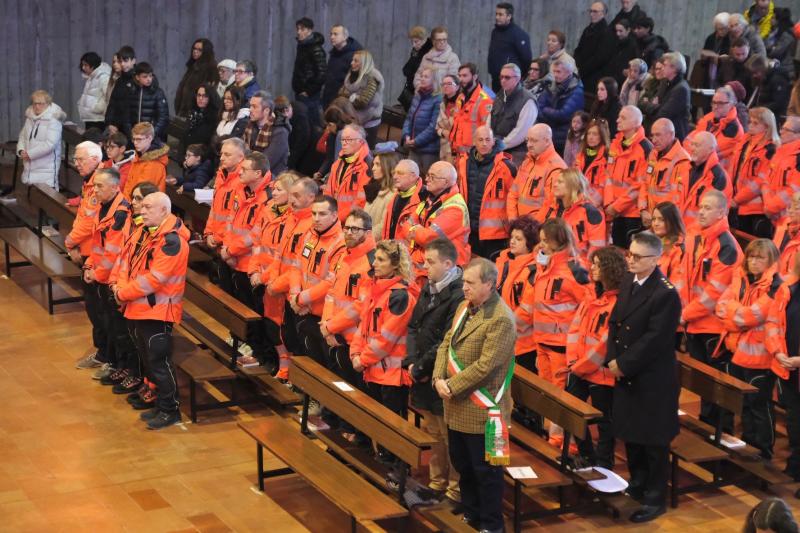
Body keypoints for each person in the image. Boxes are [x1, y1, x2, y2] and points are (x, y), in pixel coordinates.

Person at [432, 257, 516, 532]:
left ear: (489, 285)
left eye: (470, 282)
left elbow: (486, 366)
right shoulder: (463, 307)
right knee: (463, 466)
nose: (463, 286)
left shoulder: (501, 319)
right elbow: (446, 343)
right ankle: (471, 514)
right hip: (456, 407)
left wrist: (451, 385)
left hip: (484, 411)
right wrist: (437, 377)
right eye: (464, 281)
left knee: (487, 474)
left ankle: (492, 525)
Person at [606, 231, 682, 523]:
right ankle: (637, 485)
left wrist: (623, 363)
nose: (631, 260)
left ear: (655, 259)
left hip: (652, 378)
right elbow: (616, 322)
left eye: (637, 257)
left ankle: (654, 497)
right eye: (630, 254)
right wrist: (612, 358)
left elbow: (655, 339)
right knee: (632, 435)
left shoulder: (665, 293)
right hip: (626, 372)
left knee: (653, 440)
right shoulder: (629, 281)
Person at [113, 192, 190, 430]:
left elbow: (155, 280)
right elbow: (127, 261)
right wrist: (119, 285)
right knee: (147, 358)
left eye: (147, 207)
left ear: (164, 211)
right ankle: (159, 404)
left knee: (159, 361)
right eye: (142, 206)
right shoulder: (147, 232)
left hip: (159, 310)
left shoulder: (171, 242)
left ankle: (171, 410)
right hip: (138, 306)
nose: (141, 211)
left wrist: (122, 293)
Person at [517, 218, 590, 449]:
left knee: (560, 397)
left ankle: (566, 446)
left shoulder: (574, 270)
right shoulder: (544, 267)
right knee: (548, 395)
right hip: (542, 342)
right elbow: (533, 303)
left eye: (544, 242)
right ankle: (552, 441)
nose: (540, 246)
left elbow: (587, 307)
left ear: (557, 242)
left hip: (562, 346)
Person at [404, 238, 464, 503]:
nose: (424, 266)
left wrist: (423, 366)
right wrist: (411, 360)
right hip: (423, 370)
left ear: (448, 263)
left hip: (443, 375)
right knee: (435, 433)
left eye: (430, 262)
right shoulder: (429, 288)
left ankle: (454, 489)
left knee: (450, 436)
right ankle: (437, 483)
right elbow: (414, 327)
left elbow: (447, 339)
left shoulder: (459, 295)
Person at [717, 238, 784, 459]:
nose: (754, 262)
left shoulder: (775, 287)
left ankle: (763, 452)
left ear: (771, 260)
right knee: (743, 405)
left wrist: (736, 313)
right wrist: (738, 315)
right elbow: (721, 307)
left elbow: (751, 316)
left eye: (760, 258)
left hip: (761, 358)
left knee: (759, 407)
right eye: (751, 257)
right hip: (737, 354)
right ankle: (747, 447)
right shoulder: (742, 279)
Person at [682, 191, 743, 432]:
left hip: (713, 328)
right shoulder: (698, 238)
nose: (701, 211)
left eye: (708, 208)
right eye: (701, 207)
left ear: (722, 212)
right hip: (696, 322)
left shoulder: (726, 246)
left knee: (718, 389)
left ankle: (720, 435)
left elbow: (712, 295)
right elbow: (686, 279)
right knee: (703, 386)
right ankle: (706, 430)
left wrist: (683, 314)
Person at [351, 240, 417, 456]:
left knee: (393, 431)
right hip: (373, 369)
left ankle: (396, 469)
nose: (375, 264)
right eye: (375, 259)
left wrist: (362, 359)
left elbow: (386, 338)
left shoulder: (401, 296)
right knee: (377, 425)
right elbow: (363, 326)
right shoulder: (375, 287)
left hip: (391, 375)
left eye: (381, 260)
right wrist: (354, 352)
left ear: (395, 265)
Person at [566, 245, 626, 469]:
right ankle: (586, 456)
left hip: (600, 373)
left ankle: (603, 464)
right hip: (579, 368)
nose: (592, 268)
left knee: (604, 422)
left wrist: (582, 366)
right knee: (573, 413)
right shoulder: (591, 295)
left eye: (597, 264)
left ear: (610, 268)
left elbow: (606, 343)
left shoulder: (619, 302)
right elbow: (575, 329)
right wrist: (573, 361)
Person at [105, 181, 160, 408]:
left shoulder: (156, 233)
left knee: (144, 346)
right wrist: (115, 283)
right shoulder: (135, 224)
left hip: (144, 300)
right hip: (125, 290)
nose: (134, 204)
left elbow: (150, 273)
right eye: (134, 199)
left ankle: (143, 379)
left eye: (139, 200)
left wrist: (124, 292)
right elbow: (123, 258)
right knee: (124, 335)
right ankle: (131, 370)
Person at [82, 168, 134, 391]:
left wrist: (98, 274)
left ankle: (118, 364)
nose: (95, 189)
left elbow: (113, 252)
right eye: (94, 185)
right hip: (100, 272)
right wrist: (89, 265)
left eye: (100, 186)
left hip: (111, 277)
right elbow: (98, 244)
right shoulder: (103, 207)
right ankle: (110, 360)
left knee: (116, 326)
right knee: (104, 322)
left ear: (115, 187)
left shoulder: (121, 214)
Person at [262, 177, 319, 377]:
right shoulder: (291, 218)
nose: (292, 200)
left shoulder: (311, 224)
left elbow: (298, 264)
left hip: (293, 290)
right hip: (277, 284)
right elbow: (280, 253)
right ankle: (284, 367)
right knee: (276, 329)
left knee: (293, 337)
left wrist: (277, 284)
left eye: (297, 195)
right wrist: (270, 277)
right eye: (291, 195)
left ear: (311, 197)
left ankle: (295, 376)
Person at [221, 152, 273, 365]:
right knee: (237, 305)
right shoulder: (242, 191)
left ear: (258, 173)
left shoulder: (266, 197)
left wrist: (232, 250)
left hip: (249, 262)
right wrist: (226, 248)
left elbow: (255, 234)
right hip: (232, 258)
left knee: (254, 311)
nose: (239, 172)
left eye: (244, 169)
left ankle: (258, 351)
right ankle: (242, 339)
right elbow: (230, 221)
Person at [248, 170, 302, 374]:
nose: (273, 190)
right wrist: (253, 269)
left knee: (279, 329)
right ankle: (273, 359)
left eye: (279, 189)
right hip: (260, 275)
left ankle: (285, 366)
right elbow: (257, 242)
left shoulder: (292, 219)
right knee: (268, 324)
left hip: (275, 281)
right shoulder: (268, 209)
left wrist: (263, 277)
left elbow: (282, 257)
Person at [319, 208, 375, 388]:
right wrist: (327, 324)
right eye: (346, 228)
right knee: (334, 385)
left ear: (368, 233)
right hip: (334, 333)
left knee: (352, 393)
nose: (349, 232)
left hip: (354, 342)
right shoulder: (345, 255)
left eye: (355, 229)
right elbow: (331, 292)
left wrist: (331, 327)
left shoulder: (372, 262)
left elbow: (361, 306)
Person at [292, 195, 347, 372]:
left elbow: (331, 282)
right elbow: (296, 265)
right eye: (314, 213)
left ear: (334, 215)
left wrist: (301, 299)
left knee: (324, 365)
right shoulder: (310, 233)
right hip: (302, 307)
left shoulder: (341, 242)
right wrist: (294, 295)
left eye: (322, 214)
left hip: (322, 314)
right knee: (305, 355)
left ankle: (320, 399)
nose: (316, 218)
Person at [457, 126, 515, 259]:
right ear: (474, 142)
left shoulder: (505, 166)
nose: (484, 144)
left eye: (488, 140)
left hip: (496, 234)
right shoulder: (463, 162)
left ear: (493, 141)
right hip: (469, 229)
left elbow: (514, 197)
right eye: (480, 140)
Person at [766, 253, 800, 485]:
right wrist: (778, 352)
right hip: (789, 367)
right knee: (795, 421)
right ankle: (796, 464)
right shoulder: (789, 287)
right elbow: (773, 322)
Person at [408, 161, 471, 276]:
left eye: (432, 177)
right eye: (427, 175)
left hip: (448, 270)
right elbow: (407, 223)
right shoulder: (431, 199)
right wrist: (417, 230)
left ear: (445, 182)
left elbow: (428, 238)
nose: (427, 179)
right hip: (426, 264)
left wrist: (415, 231)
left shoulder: (455, 208)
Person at [605, 105, 652, 247]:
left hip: (632, 214)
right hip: (613, 211)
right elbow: (608, 176)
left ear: (636, 123)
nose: (617, 120)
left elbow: (639, 185)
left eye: (623, 118)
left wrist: (616, 206)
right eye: (619, 116)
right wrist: (609, 204)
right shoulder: (615, 145)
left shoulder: (645, 149)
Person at [495, 216, 539, 366]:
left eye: (518, 239)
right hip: (500, 335)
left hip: (522, 345)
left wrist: (502, 327)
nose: (512, 241)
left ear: (530, 243)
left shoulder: (534, 270)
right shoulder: (502, 261)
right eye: (512, 237)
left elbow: (527, 311)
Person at [205, 137, 246, 294]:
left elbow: (234, 218)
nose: (221, 158)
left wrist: (220, 237)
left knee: (232, 293)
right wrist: (209, 232)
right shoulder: (222, 176)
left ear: (240, 157)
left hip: (231, 246)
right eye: (222, 154)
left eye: (227, 155)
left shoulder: (242, 181)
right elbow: (215, 209)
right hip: (218, 241)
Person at [730, 106, 779, 238]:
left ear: (767, 127)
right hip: (738, 204)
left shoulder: (771, 149)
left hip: (756, 210)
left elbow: (760, 181)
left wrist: (737, 199)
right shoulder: (745, 142)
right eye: (750, 122)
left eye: (755, 123)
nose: (750, 126)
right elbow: (734, 170)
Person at [538, 168, 606, 262]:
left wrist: (578, 268)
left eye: (560, 182)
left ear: (572, 186)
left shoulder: (590, 212)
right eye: (556, 181)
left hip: (577, 268)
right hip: (548, 263)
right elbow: (539, 238)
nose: (555, 184)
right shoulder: (550, 207)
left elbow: (596, 250)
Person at [507, 123, 567, 221]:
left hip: (537, 230)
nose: (529, 145)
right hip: (521, 228)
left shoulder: (556, 168)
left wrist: (532, 229)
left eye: (534, 141)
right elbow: (513, 194)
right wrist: (513, 220)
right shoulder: (527, 163)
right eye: (528, 140)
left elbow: (551, 207)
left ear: (547, 141)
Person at [639, 118, 691, 222]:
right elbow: (645, 183)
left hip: (667, 221)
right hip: (651, 219)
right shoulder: (653, 154)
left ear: (671, 134)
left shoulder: (682, 161)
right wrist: (643, 210)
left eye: (658, 135)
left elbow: (677, 198)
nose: (653, 140)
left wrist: (656, 217)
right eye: (652, 135)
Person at [16, 90, 65, 190]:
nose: (37, 106)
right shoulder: (30, 117)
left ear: (48, 104)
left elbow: (50, 144)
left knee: (48, 197)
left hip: (47, 166)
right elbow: (23, 136)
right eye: (35, 103)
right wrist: (21, 150)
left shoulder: (54, 119)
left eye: (41, 103)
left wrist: (30, 154)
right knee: (32, 196)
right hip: (30, 164)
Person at [490, 63, 537, 167]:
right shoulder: (499, 95)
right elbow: (489, 119)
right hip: (495, 148)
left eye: (507, 77)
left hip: (517, 153)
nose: (503, 80)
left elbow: (521, 132)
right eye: (501, 77)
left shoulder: (527, 100)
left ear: (517, 78)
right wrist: (488, 139)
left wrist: (499, 145)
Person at [692, 85, 745, 177]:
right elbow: (689, 143)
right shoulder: (707, 119)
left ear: (731, 105)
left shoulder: (734, 129)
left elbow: (706, 152)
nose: (715, 107)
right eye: (714, 102)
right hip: (699, 170)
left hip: (716, 177)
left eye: (720, 103)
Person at [323, 123, 372, 222]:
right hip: (332, 218)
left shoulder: (367, 166)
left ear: (360, 141)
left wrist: (337, 218)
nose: (344, 143)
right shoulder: (338, 163)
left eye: (348, 140)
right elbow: (328, 192)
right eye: (342, 139)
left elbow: (360, 202)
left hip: (350, 222)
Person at [537, 55, 585, 154]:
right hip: (548, 129)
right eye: (554, 71)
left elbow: (563, 115)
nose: (555, 75)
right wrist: (547, 112)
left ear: (568, 72)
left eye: (558, 72)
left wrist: (545, 110)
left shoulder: (576, 91)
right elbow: (538, 107)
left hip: (563, 135)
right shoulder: (552, 86)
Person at [683, 131, 731, 229]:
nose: (692, 149)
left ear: (710, 149)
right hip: (682, 229)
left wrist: (691, 233)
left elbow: (713, 214)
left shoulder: (718, 176)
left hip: (699, 232)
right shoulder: (687, 168)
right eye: (692, 144)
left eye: (697, 145)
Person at [339, 50, 384, 148]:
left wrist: (350, 98)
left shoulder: (372, 79)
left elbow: (362, 102)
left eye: (356, 61)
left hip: (368, 121)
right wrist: (351, 97)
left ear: (364, 63)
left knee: (364, 152)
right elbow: (341, 93)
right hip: (353, 118)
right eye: (352, 60)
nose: (352, 63)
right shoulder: (352, 75)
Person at [449, 63, 494, 161]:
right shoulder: (461, 98)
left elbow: (486, 130)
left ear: (474, 77)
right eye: (459, 76)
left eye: (465, 76)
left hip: (474, 155)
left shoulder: (485, 100)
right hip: (458, 153)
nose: (461, 79)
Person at [402, 68, 442, 175]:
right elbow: (409, 118)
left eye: (426, 77)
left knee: (427, 179)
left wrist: (416, 141)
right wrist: (406, 135)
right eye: (422, 76)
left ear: (434, 80)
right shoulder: (418, 95)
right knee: (409, 176)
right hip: (413, 146)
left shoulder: (438, 99)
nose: (422, 79)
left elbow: (433, 127)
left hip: (429, 150)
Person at [574, 2, 617, 100]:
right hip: (583, 74)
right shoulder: (588, 30)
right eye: (590, 11)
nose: (591, 14)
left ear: (603, 13)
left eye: (595, 11)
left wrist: (583, 69)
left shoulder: (607, 33)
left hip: (594, 77)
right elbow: (579, 49)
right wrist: (576, 64)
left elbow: (601, 57)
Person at [487, 2, 532, 93]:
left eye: (500, 14)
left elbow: (526, 59)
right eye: (496, 14)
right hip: (496, 79)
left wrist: (518, 76)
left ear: (509, 16)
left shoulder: (519, 35)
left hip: (510, 80)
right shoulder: (495, 32)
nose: (497, 17)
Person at [242, 90, 290, 175]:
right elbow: (241, 152)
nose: (250, 110)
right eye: (250, 106)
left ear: (266, 110)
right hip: (249, 173)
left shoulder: (280, 131)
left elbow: (266, 163)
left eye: (254, 107)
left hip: (273, 178)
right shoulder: (250, 126)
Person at [764, 116, 800, 222]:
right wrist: (768, 205)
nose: (781, 132)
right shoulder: (780, 151)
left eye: (786, 130)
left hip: (789, 216)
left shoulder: (798, 157)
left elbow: (794, 190)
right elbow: (766, 181)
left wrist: (771, 207)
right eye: (782, 128)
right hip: (772, 214)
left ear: (798, 135)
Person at [292, 17, 327, 122]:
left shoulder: (316, 49)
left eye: (302, 29)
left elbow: (322, 74)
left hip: (309, 96)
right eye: (297, 29)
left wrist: (309, 91)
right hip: (300, 93)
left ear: (310, 30)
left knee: (310, 123)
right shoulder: (302, 46)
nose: (298, 32)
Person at [315, 97, 358, 180]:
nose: (327, 128)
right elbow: (330, 158)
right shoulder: (332, 134)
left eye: (330, 125)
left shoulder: (348, 134)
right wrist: (320, 172)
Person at [651, 52, 690, 142]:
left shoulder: (681, 89)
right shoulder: (666, 83)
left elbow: (663, 114)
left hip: (674, 136)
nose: (662, 68)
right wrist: (656, 107)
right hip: (665, 132)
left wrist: (654, 107)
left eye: (665, 65)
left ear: (674, 68)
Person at [382, 159, 423, 245]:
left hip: (408, 255)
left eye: (400, 173)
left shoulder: (425, 197)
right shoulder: (394, 197)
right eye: (395, 173)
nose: (395, 177)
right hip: (391, 251)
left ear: (413, 176)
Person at [174, 38, 218, 118]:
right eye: (194, 48)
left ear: (206, 52)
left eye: (199, 50)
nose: (195, 51)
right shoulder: (192, 67)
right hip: (184, 113)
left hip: (196, 114)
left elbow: (208, 95)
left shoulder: (210, 69)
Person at [126, 62, 169, 142]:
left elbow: (163, 118)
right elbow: (127, 117)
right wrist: (131, 134)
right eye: (145, 76)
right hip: (135, 138)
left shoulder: (158, 93)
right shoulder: (131, 92)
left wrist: (151, 135)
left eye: (150, 75)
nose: (149, 79)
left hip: (152, 138)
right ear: (137, 77)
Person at [124, 122, 168, 199]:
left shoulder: (154, 164)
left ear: (150, 138)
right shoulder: (139, 157)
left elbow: (142, 193)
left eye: (139, 139)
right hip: (131, 202)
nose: (135, 143)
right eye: (134, 139)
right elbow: (129, 183)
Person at [322, 24, 363, 108]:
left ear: (345, 37)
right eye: (331, 34)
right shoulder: (334, 52)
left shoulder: (355, 55)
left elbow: (357, 81)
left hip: (343, 102)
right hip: (328, 98)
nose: (332, 37)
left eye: (335, 34)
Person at [574, 118, 611, 208]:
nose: (590, 137)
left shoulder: (607, 158)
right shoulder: (580, 156)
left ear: (602, 136)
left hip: (595, 206)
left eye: (595, 134)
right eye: (589, 134)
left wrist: (590, 203)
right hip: (577, 202)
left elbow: (605, 187)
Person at [650, 201, 686, 288]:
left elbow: (675, 284)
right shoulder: (647, 243)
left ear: (672, 221)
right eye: (654, 219)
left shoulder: (678, 249)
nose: (656, 223)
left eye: (661, 220)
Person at [364, 150, 399, 239]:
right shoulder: (373, 188)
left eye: (378, 165)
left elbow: (382, 228)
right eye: (373, 164)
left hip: (374, 245)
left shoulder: (392, 195)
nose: (373, 168)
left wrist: (362, 237)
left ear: (388, 167)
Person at [104, 45, 137, 138]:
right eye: (120, 61)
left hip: (135, 129)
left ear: (134, 61)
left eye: (125, 61)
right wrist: (109, 123)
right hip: (118, 129)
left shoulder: (139, 79)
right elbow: (112, 104)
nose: (122, 64)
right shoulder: (120, 81)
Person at [746, 54, 792, 119]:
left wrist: (759, 109)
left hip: (774, 117)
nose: (754, 76)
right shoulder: (763, 79)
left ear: (763, 68)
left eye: (756, 72)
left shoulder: (777, 79)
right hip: (763, 115)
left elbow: (779, 103)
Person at [415, 26, 461, 90]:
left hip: (443, 98)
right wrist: (419, 88)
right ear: (433, 41)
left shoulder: (453, 58)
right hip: (425, 97)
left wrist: (441, 96)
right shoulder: (426, 57)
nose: (442, 42)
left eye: (444, 39)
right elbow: (418, 76)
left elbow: (454, 82)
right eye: (439, 40)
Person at [399, 26, 433, 111]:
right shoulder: (415, 50)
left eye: (416, 42)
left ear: (424, 39)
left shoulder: (430, 52)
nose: (413, 45)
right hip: (411, 87)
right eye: (412, 42)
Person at [77, 52, 111, 130]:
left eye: (86, 65)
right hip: (91, 118)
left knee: (95, 141)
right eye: (82, 65)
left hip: (97, 119)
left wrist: (98, 108)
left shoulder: (103, 77)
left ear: (93, 65)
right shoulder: (92, 77)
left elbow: (109, 96)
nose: (83, 67)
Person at [181, 83, 220, 152]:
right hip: (186, 153)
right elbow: (184, 136)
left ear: (211, 98)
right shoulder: (192, 113)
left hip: (200, 156)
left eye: (204, 96)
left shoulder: (214, 118)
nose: (200, 98)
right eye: (199, 95)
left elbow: (208, 143)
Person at [697, 12, 731, 88]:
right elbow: (704, 56)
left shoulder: (730, 39)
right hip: (709, 71)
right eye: (719, 29)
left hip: (722, 73)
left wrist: (722, 58)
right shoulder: (710, 38)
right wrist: (704, 58)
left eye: (724, 28)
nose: (722, 31)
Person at [773, 193, 800, 277]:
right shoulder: (782, 226)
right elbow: (772, 256)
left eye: (796, 208)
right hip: (772, 280)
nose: (791, 211)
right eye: (790, 207)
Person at [608, 19, 640, 87]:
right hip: (613, 78)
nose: (618, 34)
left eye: (620, 31)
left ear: (628, 30)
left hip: (624, 81)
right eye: (616, 31)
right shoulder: (615, 43)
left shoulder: (633, 46)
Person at [765, 7, 797, 78]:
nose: (770, 20)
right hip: (777, 66)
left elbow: (776, 52)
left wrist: (769, 49)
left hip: (785, 69)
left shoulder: (787, 34)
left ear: (779, 20)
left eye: (773, 18)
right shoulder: (774, 32)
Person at [436, 74, 460, 163]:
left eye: (449, 83)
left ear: (457, 86)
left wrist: (451, 134)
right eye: (443, 84)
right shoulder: (442, 105)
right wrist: (443, 132)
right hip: (443, 147)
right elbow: (437, 127)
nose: (445, 86)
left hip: (457, 148)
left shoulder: (462, 104)